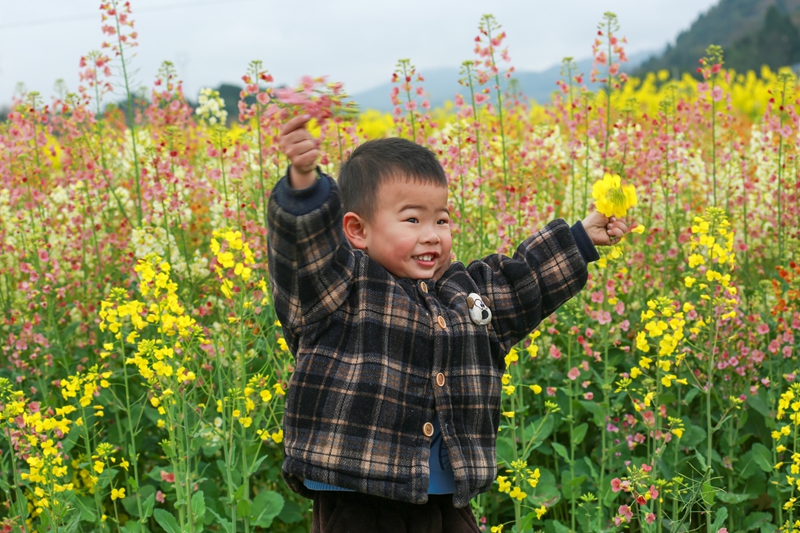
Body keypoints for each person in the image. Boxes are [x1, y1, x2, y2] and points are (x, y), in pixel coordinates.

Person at [267, 115, 628, 533]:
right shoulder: (339, 290)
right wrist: (305, 189)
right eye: (412, 219)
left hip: (444, 502)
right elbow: (302, 256)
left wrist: (581, 238)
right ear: (357, 229)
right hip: (359, 500)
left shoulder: (463, 293)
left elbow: (522, 283)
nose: (433, 235)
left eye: (441, 219)